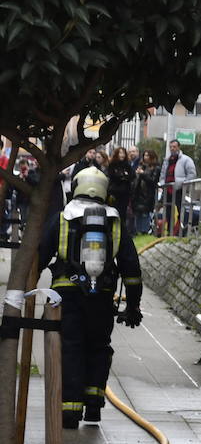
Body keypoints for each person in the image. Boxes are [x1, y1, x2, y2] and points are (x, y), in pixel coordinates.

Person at [37, 167, 142, 428]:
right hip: (103, 298)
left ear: (76, 187)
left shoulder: (63, 217)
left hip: (66, 297)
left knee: (71, 347)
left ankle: (70, 411)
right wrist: (133, 306)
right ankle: (93, 407)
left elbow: (39, 256)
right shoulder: (115, 221)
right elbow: (131, 268)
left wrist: (24, 292)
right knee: (99, 347)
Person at [159, 140, 195, 236]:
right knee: (168, 211)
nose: (172, 149)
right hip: (168, 188)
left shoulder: (186, 160)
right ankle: (170, 231)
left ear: (178, 147)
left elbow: (191, 174)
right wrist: (162, 183)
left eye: (174, 147)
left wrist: (183, 183)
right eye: (170, 147)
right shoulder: (167, 160)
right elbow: (163, 173)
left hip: (179, 189)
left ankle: (180, 230)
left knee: (181, 210)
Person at [106, 147, 135, 230]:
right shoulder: (112, 164)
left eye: (123, 153)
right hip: (114, 192)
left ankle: (122, 228)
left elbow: (132, 176)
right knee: (114, 210)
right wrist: (122, 176)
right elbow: (113, 176)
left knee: (123, 212)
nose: (122, 155)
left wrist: (124, 176)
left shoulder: (127, 165)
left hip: (125, 192)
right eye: (120, 153)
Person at [132, 150, 160, 235]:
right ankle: (137, 231)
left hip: (147, 195)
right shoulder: (141, 166)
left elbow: (153, 181)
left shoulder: (156, 168)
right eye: (144, 155)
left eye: (148, 156)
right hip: (138, 194)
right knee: (137, 214)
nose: (145, 157)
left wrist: (143, 174)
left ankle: (144, 231)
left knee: (145, 214)